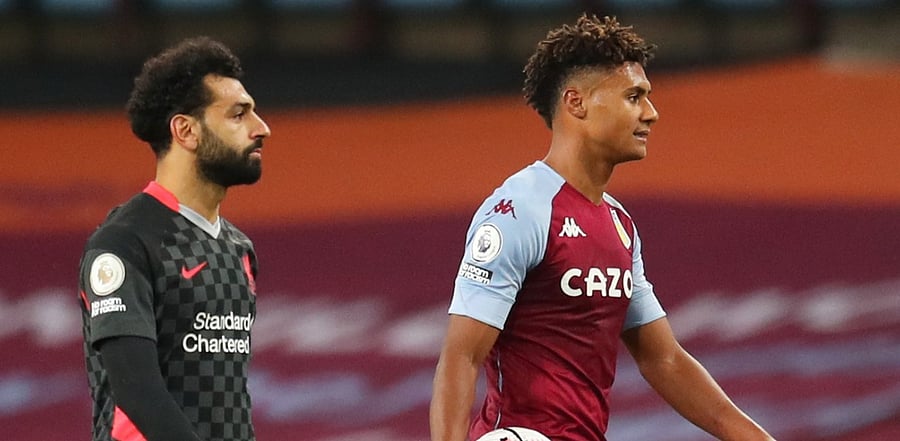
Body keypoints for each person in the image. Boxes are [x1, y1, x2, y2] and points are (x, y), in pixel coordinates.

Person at [430, 14, 775, 441]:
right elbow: (461, 356)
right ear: (576, 103)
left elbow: (663, 359)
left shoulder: (619, 225)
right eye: (634, 97)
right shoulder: (518, 212)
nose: (652, 113)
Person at [77, 36, 271, 441]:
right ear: (185, 130)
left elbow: (228, 397)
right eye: (239, 115)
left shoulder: (238, 249)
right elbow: (137, 390)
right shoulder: (123, 244)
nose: (262, 128)